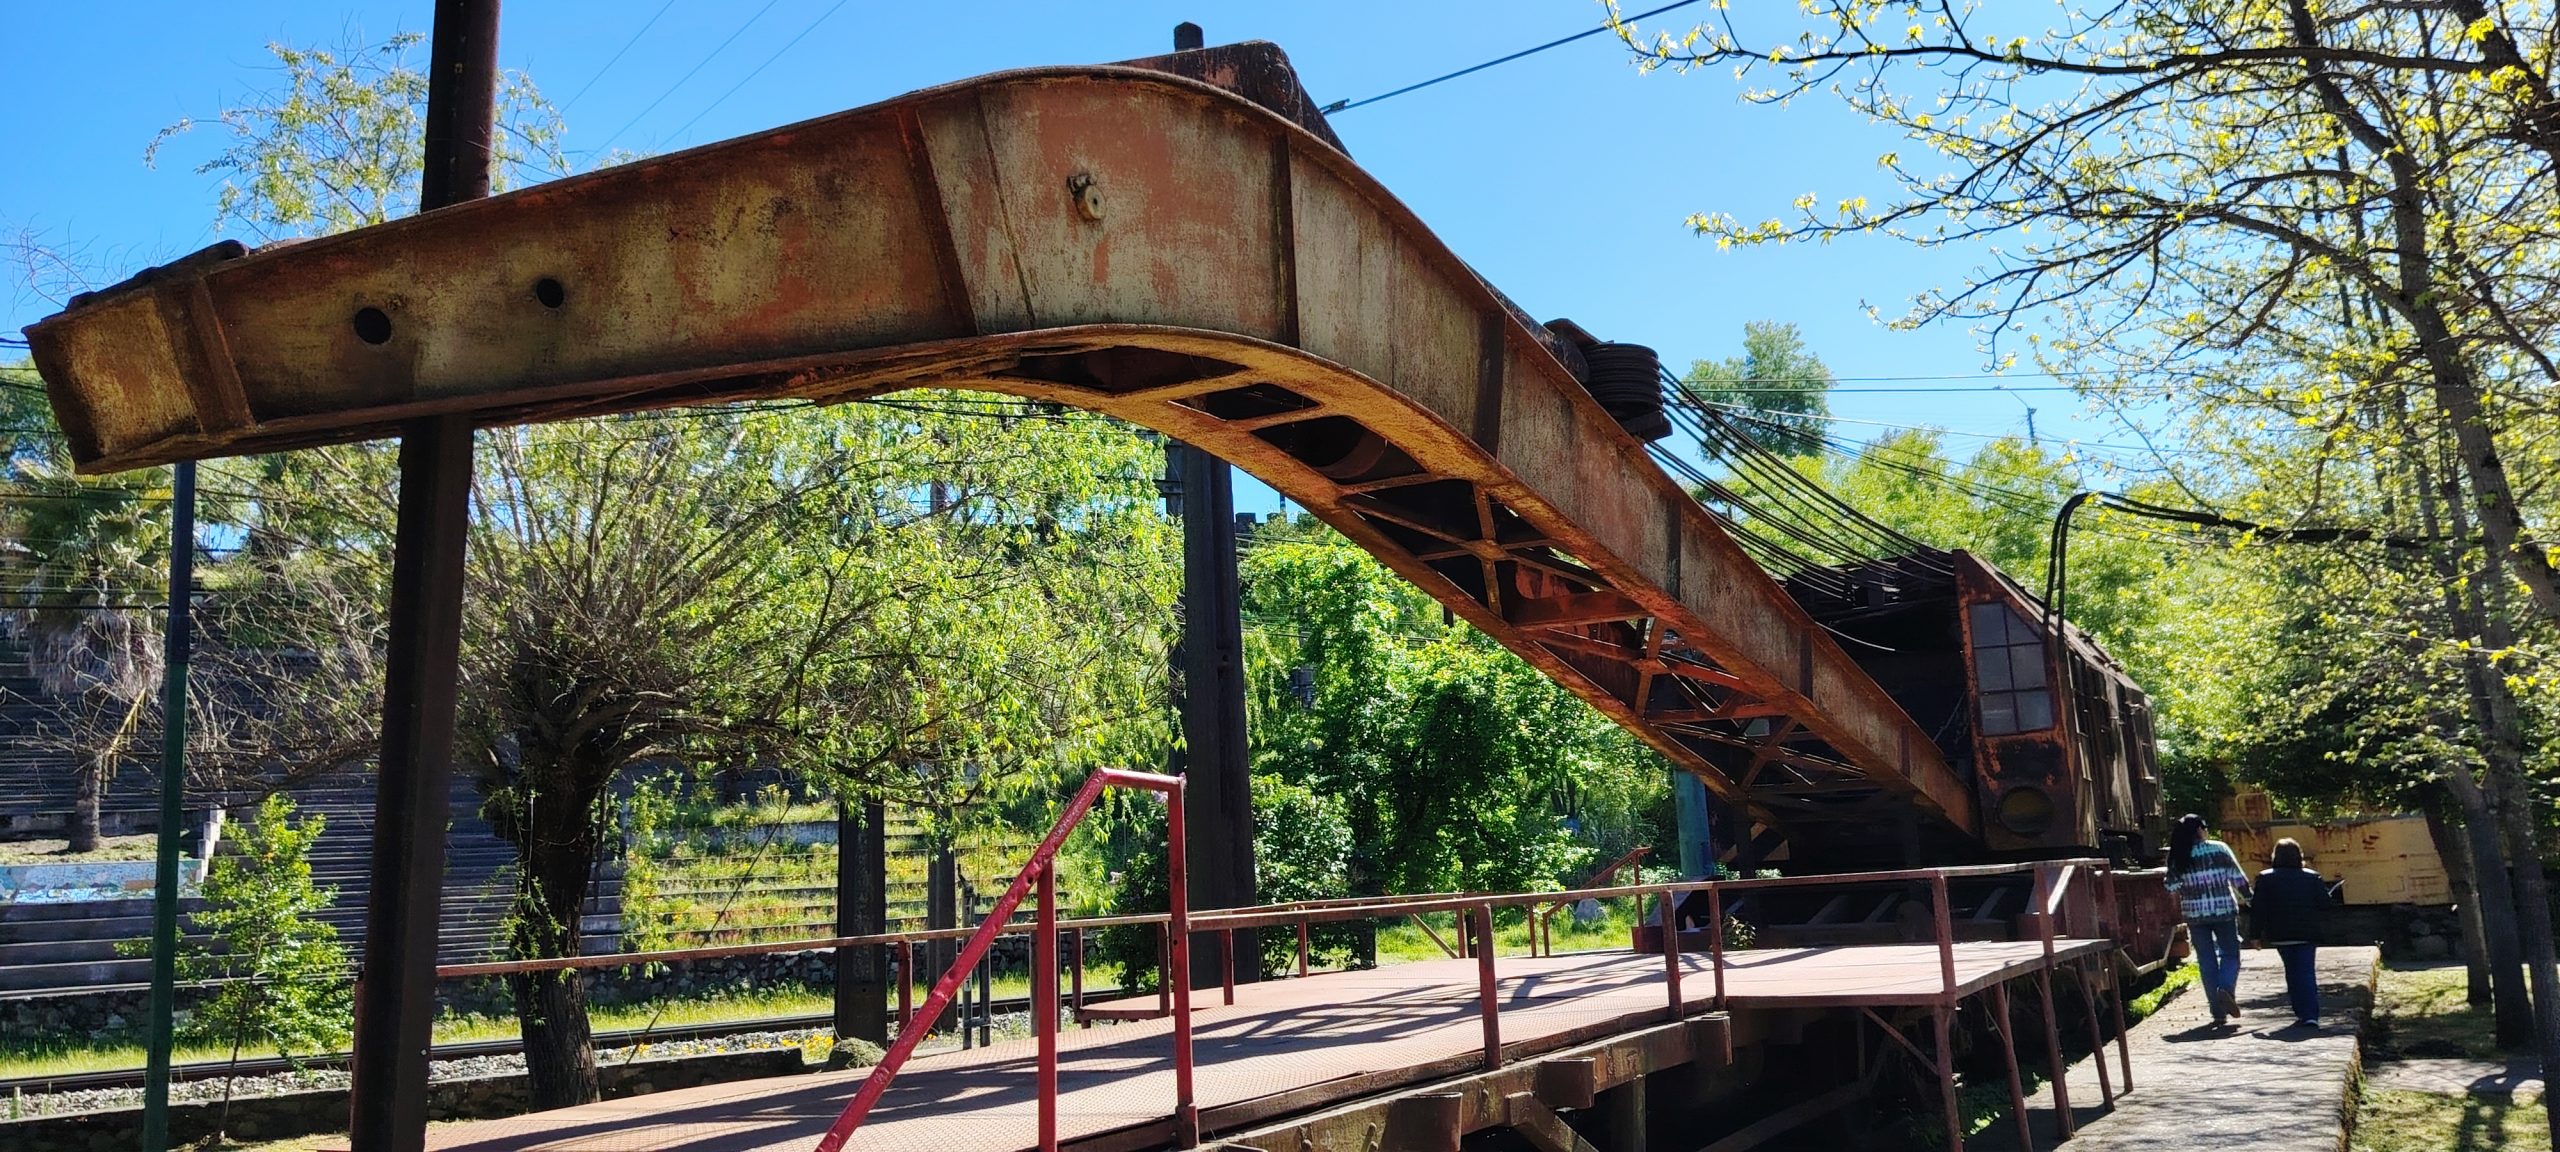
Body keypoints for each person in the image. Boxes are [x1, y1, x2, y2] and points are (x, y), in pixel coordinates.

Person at [2165, 813, 2252, 1026]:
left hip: (2195, 916)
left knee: (2206, 960)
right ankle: (2226, 988)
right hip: (2224, 911)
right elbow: (2238, 879)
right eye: (2205, 827)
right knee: (2230, 954)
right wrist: (2251, 900)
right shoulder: (2219, 849)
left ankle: (2217, 1012)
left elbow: (2171, 886)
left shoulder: (2179, 855)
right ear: (2199, 830)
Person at [2253, 838, 2334, 1028]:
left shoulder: (2265, 878)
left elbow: (2258, 909)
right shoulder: (2312, 877)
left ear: (2275, 856)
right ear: (2299, 856)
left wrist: (2255, 935)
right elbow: (2325, 904)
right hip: (2307, 933)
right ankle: (2310, 1014)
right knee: (2306, 972)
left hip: (2280, 934)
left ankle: (2300, 1011)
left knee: (2291, 972)